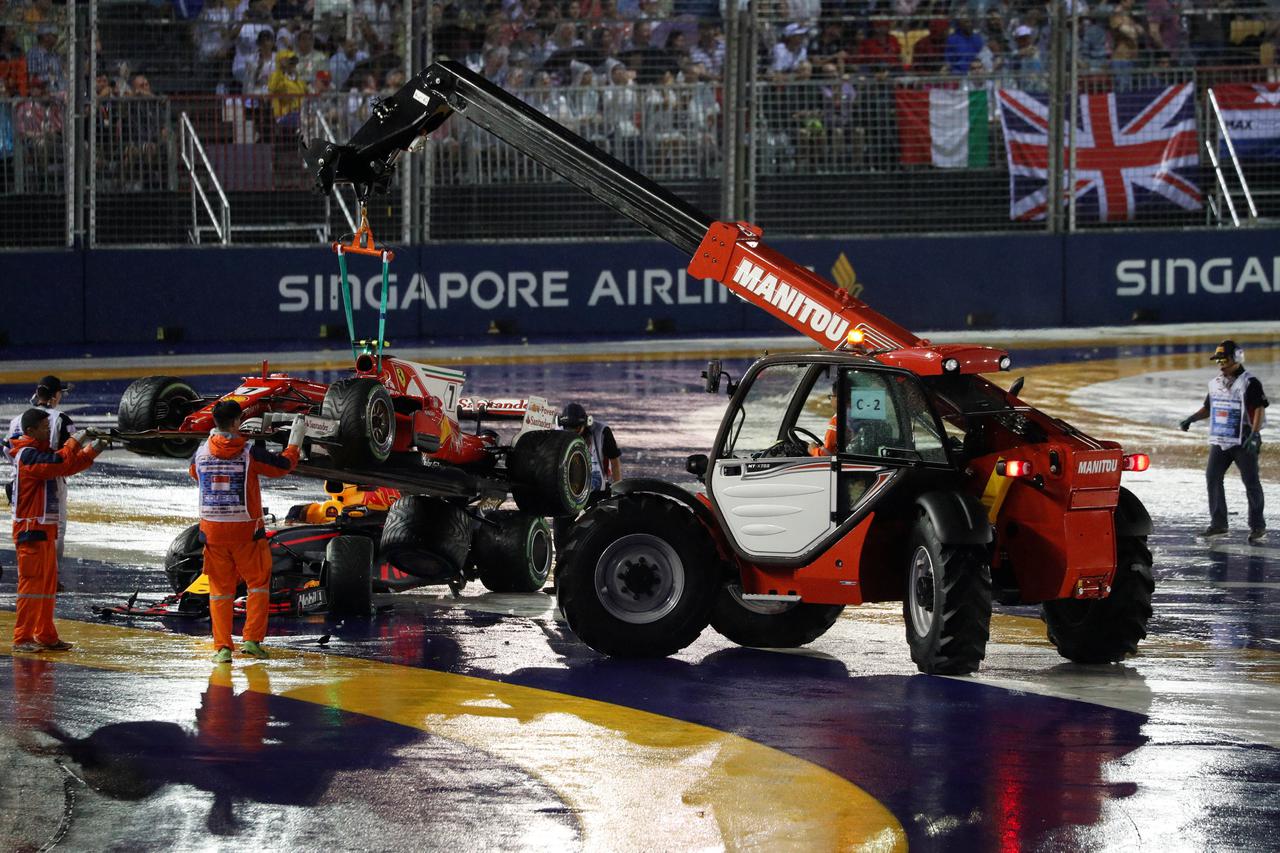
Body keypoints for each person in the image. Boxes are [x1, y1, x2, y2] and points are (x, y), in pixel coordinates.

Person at [191, 400, 305, 662]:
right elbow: (282, 467)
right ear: (236, 422)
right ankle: (252, 641)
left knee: (220, 591)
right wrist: (295, 442)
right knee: (257, 586)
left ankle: (222, 648)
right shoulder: (248, 453)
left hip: (213, 534)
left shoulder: (200, 452)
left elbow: (195, 473)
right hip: (246, 535)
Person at [10, 409, 106, 652]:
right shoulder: (28, 456)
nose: (47, 430)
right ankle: (22, 638)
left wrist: (94, 448)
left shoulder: (39, 454)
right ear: (31, 430)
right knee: (31, 588)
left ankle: (45, 634)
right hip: (31, 531)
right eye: (44, 426)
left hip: (42, 530)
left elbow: (67, 466)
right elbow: (60, 463)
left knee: (45, 587)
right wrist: (78, 439)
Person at [1179, 340, 1268, 544]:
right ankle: (1219, 525)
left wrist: (1254, 434)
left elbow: (1259, 409)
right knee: (1212, 476)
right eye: (1218, 359)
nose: (1220, 363)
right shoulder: (1216, 383)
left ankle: (1258, 526)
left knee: (1251, 482)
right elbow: (1209, 407)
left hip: (1244, 439)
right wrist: (1191, 419)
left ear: (1236, 359)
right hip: (1221, 440)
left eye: (1224, 359)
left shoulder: (1250, 382)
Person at [4, 376, 74, 559]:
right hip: (51, 482)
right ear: (56, 395)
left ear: (37, 393)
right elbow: (70, 457)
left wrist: (21, 467)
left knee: (24, 527)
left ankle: (33, 571)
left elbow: (6, 449)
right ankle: (49, 575)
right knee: (54, 528)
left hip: (21, 482)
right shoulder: (61, 419)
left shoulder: (17, 420)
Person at [551, 402, 622, 571]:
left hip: (597, 490)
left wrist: (618, 489)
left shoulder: (602, 432)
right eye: (570, 429)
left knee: (601, 528)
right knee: (561, 532)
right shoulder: (558, 431)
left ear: (586, 423)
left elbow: (614, 462)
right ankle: (562, 576)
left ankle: (601, 569)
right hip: (568, 489)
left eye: (577, 429)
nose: (574, 433)